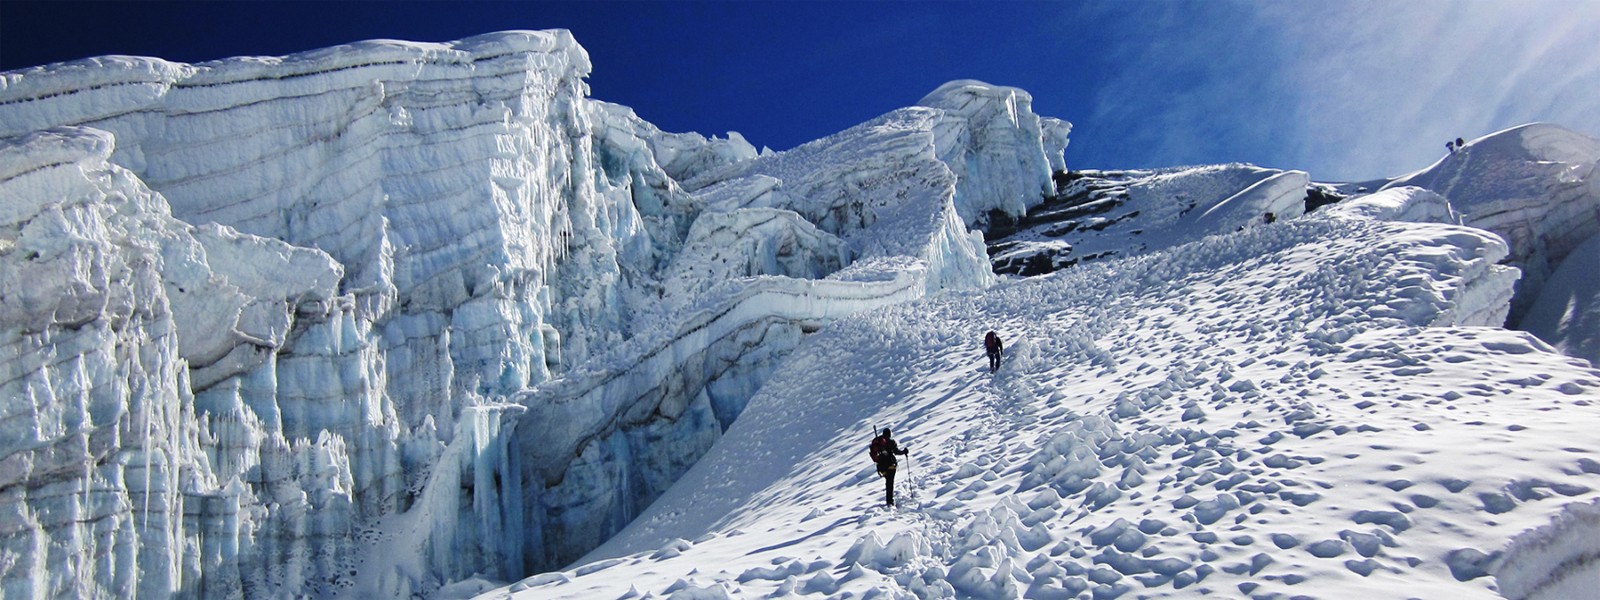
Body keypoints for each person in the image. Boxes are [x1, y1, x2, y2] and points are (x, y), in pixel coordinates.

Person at [870, 428, 910, 506]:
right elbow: (896, 452)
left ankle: (889, 500)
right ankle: (889, 501)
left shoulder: (878, 442)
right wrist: (904, 452)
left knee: (888, 482)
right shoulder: (891, 442)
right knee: (890, 482)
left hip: (881, 467)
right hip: (891, 464)